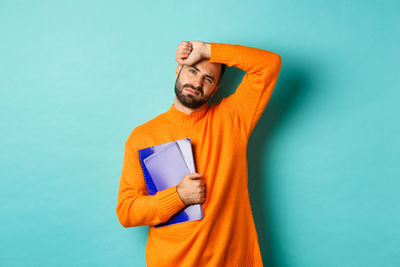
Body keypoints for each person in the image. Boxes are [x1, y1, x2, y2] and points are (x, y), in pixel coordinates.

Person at [116, 40, 282, 267]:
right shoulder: (142, 136)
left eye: (208, 78)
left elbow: (269, 64)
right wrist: (178, 196)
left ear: (215, 88)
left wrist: (206, 50)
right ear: (178, 70)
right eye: (193, 70)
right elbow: (127, 211)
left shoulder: (232, 118)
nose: (197, 82)